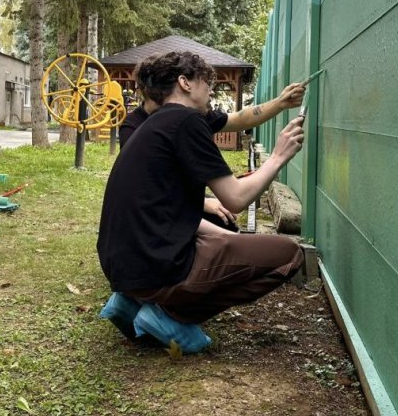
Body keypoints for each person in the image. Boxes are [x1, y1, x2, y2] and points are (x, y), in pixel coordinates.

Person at [97, 51, 306, 354]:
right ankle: (170, 315)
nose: (211, 90)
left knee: (226, 237)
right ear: (184, 82)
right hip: (155, 269)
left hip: (123, 269)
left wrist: (229, 241)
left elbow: (168, 209)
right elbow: (235, 198)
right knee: (290, 254)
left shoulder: (150, 125)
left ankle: (135, 301)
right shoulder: (186, 121)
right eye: (206, 81)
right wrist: (278, 157)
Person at [118, 56, 306, 229]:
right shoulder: (138, 127)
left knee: (226, 223)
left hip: (175, 204)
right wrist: (204, 204)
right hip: (159, 213)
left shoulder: (189, 115)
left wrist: (280, 102)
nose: (211, 90)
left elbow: (240, 118)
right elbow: (146, 191)